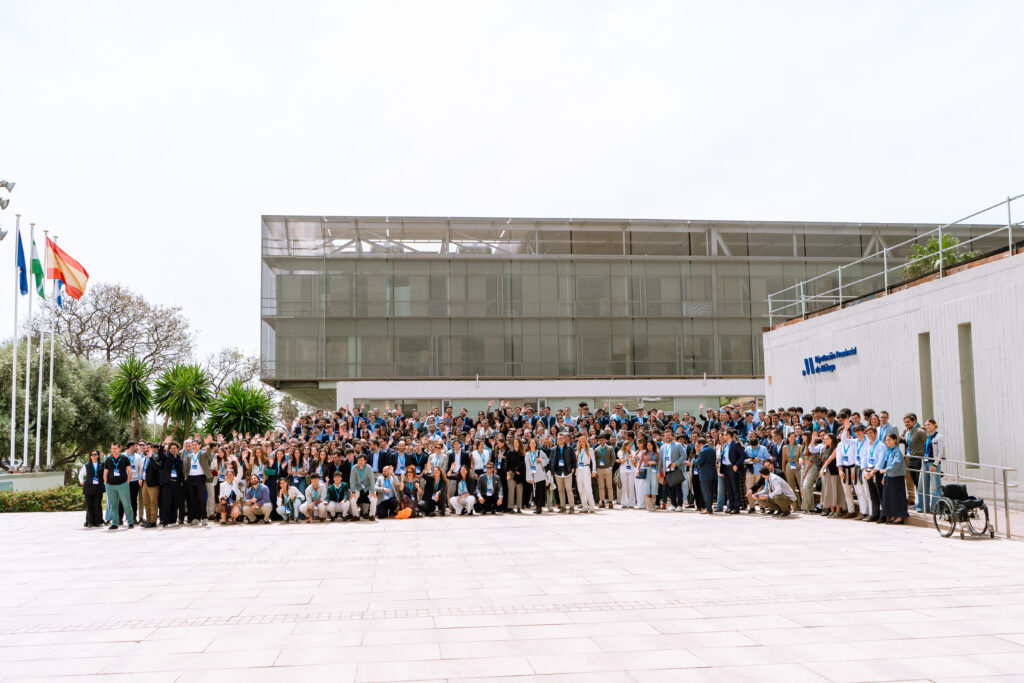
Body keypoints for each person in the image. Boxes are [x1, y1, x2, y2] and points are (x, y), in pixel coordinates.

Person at [103, 442, 134, 531]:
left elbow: (129, 471)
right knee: (113, 505)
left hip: (122, 485)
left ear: (119, 449)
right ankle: (114, 523)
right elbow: (105, 472)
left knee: (126, 504)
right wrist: (105, 482)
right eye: (112, 448)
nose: (113, 450)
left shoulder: (125, 458)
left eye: (115, 448)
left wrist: (128, 482)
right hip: (110, 486)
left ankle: (130, 522)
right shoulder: (108, 459)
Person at [182, 437, 212, 526]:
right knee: (192, 499)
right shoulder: (190, 456)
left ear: (200, 445)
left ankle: (204, 517)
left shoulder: (202, 454)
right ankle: (195, 517)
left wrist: (207, 444)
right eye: (193, 445)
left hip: (200, 478)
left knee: (201, 498)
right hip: (191, 478)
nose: (194, 446)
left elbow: (208, 453)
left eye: (195, 445)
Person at [879, 431, 908, 524]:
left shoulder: (897, 451)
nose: (887, 442)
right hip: (890, 476)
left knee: (897, 497)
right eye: (886, 440)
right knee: (891, 497)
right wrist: (884, 476)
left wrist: (886, 470)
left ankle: (899, 516)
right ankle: (894, 515)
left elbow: (896, 463)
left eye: (889, 440)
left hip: (897, 477)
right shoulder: (889, 451)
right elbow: (887, 463)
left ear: (895, 440)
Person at [917, 418, 944, 513]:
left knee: (936, 486)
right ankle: (922, 507)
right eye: (926, 425)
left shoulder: (939, 436)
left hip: (933, 463)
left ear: (934, 425)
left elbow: (940, 452)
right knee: (922, 485)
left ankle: (935, 509)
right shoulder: (928, 437)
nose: (927, 426)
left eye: (929, 424)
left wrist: (935, 464)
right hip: (925, 462)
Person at [902, 413, 927, 506]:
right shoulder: (907, 432)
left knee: (920, 484)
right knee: (915, 482)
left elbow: (927, 444)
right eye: (905, 422)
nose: (906, 423)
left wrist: (926, 458)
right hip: (910, 459)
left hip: (919, 459)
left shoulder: (920, 431)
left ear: (914, 421)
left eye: (908, 421)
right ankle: (919, 503)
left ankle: (923, 504)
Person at [158, 439, 183, 527]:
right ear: (168, 449)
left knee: (175, 502)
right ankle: (165, 521)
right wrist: (163, 444)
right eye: (171, 448)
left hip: (176, 483)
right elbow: (160, 455)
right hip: (167, 483)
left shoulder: (180, 459)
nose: (173, 450)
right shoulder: (166, 456)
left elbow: (180, 472)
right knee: (166, 502)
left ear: (178, 449)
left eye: (174, 448)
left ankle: (172, 521)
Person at [550, 433, 576, 514]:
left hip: (567, 472)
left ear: (564, 439)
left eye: (561, 438)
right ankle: (563, 507)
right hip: (558, 473)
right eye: (558, 438)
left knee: (569, 489)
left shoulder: (569, 448)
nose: (560, 440)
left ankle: (571, 507)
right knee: (560, 490)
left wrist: (573, 469)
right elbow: (551, 461)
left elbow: (574, 460)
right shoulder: (553, 449)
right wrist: (553, 472)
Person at [79, 450, 105, 527]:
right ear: (90, 456)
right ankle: (90, 522)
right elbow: (81, 475)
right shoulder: (86, 465)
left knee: (97, 504)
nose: (93, 456)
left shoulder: (102, 464)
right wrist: (82, 481)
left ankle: (98, 522)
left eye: (95, 454)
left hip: (99, 487)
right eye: (92, 454)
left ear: (98, 455)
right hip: (89, 487)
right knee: (89, 505)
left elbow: (105, 474)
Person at [349, 453, 377, 521]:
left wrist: (373, 492)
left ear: (365, 461)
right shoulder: (354, 468)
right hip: (357, 487)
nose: (360, 462)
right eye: (359, 460)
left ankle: (372, 515)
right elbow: (352, 480)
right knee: (352, 499)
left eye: (362, 460)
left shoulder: (369, 468)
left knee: (374, 498)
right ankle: (355, 515)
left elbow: (372, 480)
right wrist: (353, 491)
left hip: (368, 486)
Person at [139, 442, 161, 528]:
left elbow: (157, 467)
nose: (146, 449)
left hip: (153, 484)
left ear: (152, 448)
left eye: (148, 447)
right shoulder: (145, 458)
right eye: (145, 448)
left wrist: (151, 457)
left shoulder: (155, 457)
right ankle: (148, 520)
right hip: (145, 482)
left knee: (153, 503)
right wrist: (140, 478)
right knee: (146, 503)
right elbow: (144, 470)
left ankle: (153, 521)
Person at [524, 438, 548, 514]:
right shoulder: (527, 454)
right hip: (532, 474)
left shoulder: (540, 452)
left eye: (534, 443)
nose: (532, 444)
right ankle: (536, 506)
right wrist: (529, 477)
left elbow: (547, 461)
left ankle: (539, 507)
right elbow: (527, 466)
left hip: (540, 475)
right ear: (529, 445)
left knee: (541, 491)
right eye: (531, 443)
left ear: (536, 444)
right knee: (534, 492)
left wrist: (540, 460)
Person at [694, 437, 717, 514]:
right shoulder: (712, 449)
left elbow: (698, 462)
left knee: (706, 492)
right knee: (710, 492)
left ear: (701, 444)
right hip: (713, 473)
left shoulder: (703, 451)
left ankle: (708, 508)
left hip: (705, 474)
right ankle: (709, 508)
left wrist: (695, 459)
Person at [575, 435, 597, 513]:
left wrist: (594, 471)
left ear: (586, 441)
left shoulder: (590, 450)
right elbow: (576, 463)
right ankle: (584, 506)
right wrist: (575, 474)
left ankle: (591, 506)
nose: (581, 442)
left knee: (588, 488)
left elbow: (594, 461)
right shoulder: (577, 450)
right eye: (580, 441)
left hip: (586, 468)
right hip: (579, 470)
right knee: (580, 489)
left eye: (583, 441)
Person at [593, 431, 616, 509]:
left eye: (603, 440)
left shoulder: (610, 448)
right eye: (600, 440)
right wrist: (595, 470)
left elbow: (613, 458)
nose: (601, 441)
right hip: (599, 469)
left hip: (607, 469)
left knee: (609, 486)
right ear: (598, 441)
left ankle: (610, 501)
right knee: (601, 486)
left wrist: (610, 467)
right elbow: (595, 460)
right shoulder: (596, 449)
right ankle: (602, 501)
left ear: (605, 440)